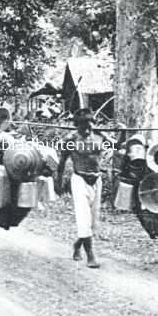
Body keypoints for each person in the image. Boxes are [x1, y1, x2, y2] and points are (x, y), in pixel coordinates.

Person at [56, 108, 105, 268]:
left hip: (96, 181)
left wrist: (122, 131)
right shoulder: (71, 140)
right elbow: (62, 163)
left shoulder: (101, 136)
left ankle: (77, 245)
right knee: (83, 220)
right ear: (76, 126)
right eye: (83, 126)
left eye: (89, 125)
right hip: (79, 181)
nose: (87, 129)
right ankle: (90, 256)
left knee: (92, 222)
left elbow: (119, 146)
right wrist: (58, 182)